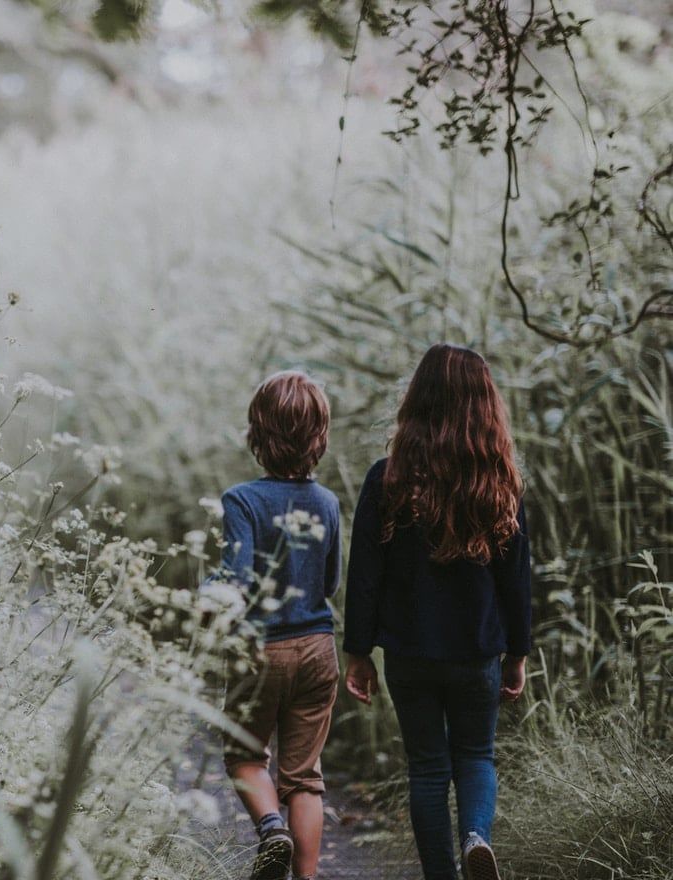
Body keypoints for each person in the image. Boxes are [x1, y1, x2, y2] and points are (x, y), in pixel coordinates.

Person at [343, 343, 532, 880]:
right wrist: (517, 653)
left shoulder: (388, 480)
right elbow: (516, 581)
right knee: (476, 756)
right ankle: (476, 836)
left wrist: (358, 652)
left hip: (409, 652)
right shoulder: (500, 483)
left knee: (428, 768)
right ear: (485, 407)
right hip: (476, 652)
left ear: (416, 401)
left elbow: (365, 576)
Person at [216, 370, 342, 880]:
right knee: (305, 779)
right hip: (318, 647)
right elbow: (330, 583)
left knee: (244, 755)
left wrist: (211, 588)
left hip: (259, 649)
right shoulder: (328, 503)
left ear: (256, 434)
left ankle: (272, 830)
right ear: (319, 437)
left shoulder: (241, 500)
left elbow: (237, 579)